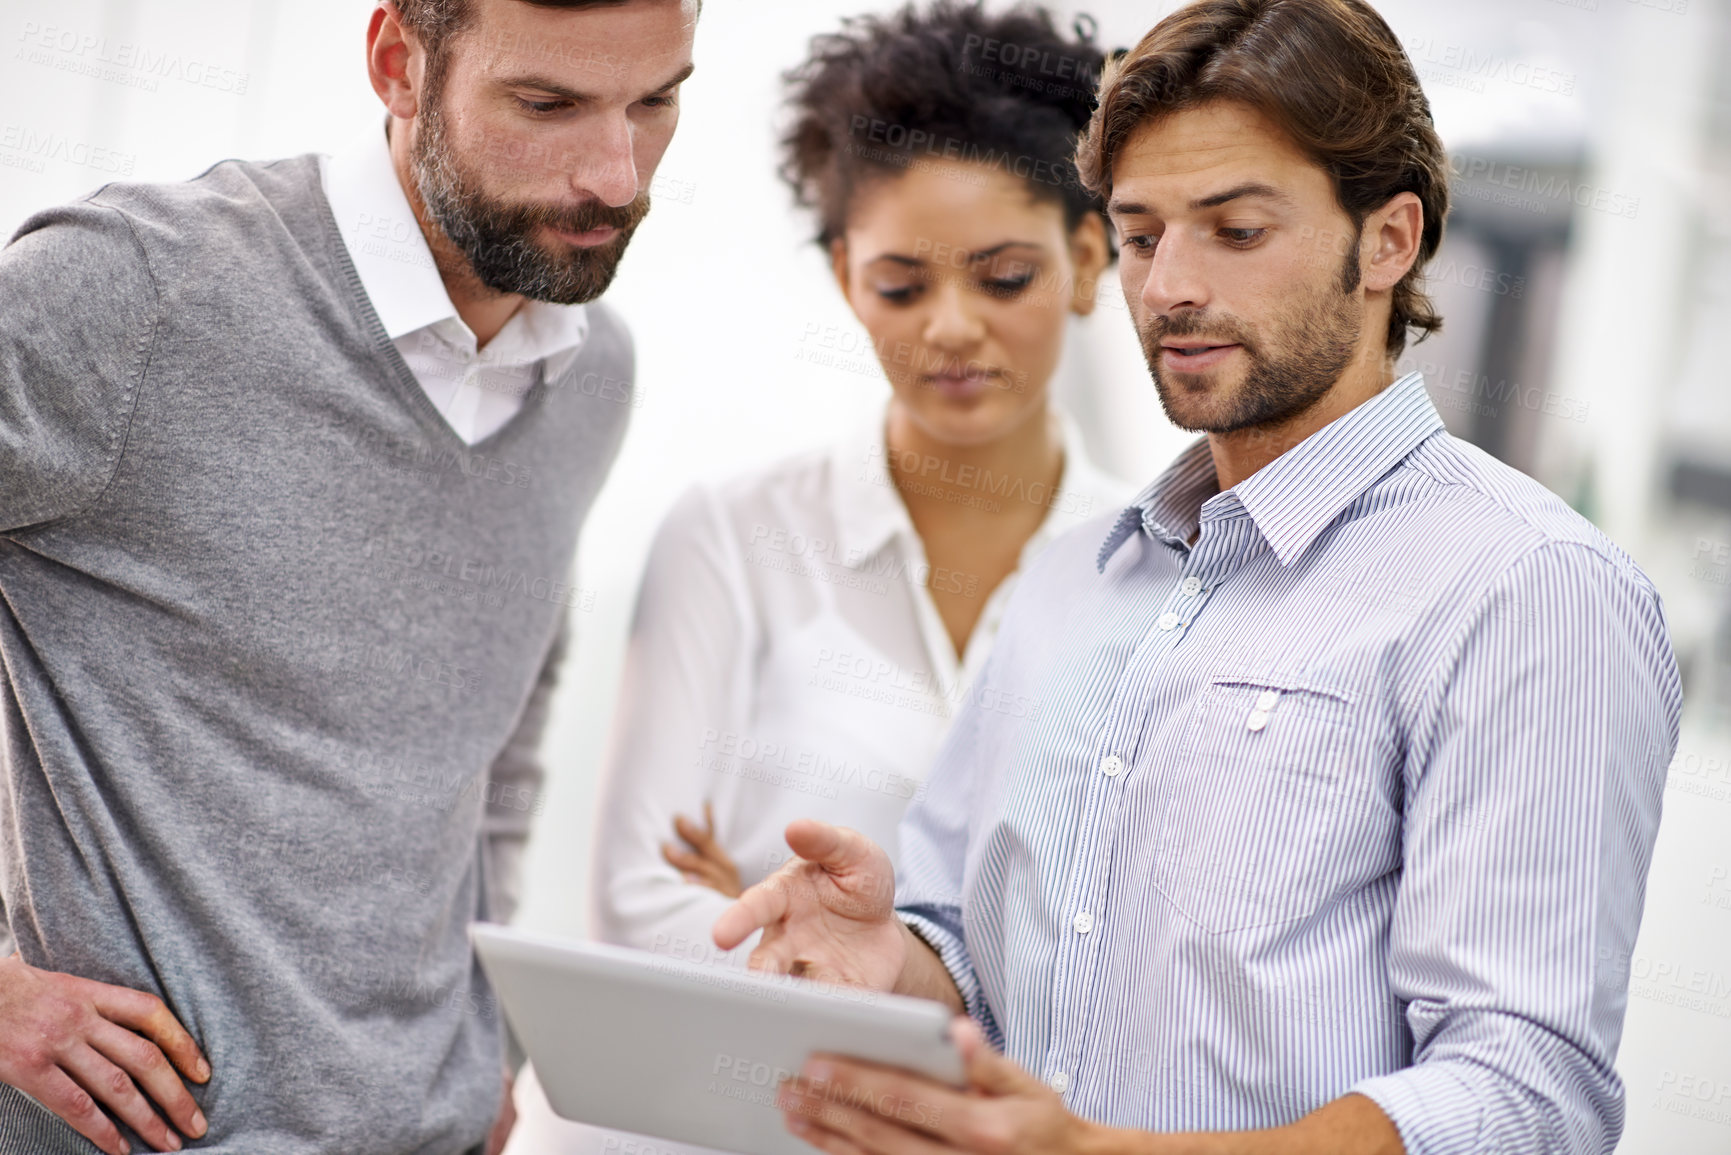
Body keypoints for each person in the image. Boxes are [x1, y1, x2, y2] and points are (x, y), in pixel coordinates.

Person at [713, 1, 1682, 1153]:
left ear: (1388, 240)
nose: (1169, 285)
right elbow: (973, 956)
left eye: (1234, 229)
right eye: (1138, 234)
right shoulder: (1072, 578)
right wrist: (895, 964)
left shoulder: (1527, 590)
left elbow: (1527, 1098)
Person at [0, 1, 696, 1153]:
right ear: (400, 64)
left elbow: (498, 752)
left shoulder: (593, 370)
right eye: (547, 105)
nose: (615, 177)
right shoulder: (134, 293)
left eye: (656, 101)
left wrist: (490, 1040)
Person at [504, 5, 1128, 1149]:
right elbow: (641, 910)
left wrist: (753, 897)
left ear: (1089, 261)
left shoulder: (1153, 572)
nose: (952, 329)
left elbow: (1128, 944)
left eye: (1003, 277)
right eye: (901, 285)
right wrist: (912, 966)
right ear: (845, 277)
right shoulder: (735, 536)